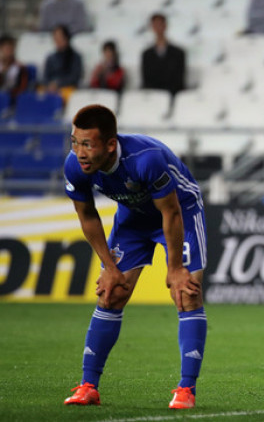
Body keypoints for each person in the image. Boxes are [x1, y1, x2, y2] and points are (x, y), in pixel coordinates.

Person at [62, 105, 207, 409]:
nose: (80, 152)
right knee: (111, 293)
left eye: (88, 144)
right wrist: (109, 267)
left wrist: (176, 267)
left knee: (186, 293)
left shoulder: (145, 159)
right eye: (75, 142)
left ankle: (186, 389)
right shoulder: (74, 166)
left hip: (180, 210)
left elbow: (170, 211)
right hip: (133, 218)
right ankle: (88, 385)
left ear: (110, 145)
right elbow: (87, 216)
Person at [141, 13, 186, 95]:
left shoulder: (179, 53)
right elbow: (146, 79)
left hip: (172, 94)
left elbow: (179, 80)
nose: (158, 28)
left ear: (165, 26)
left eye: (160, 24)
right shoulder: (146, 55)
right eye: (155, 25)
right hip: (153, 95)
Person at [43, 24, 83, 101]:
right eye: (55, 37)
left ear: (66, 38)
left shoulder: (75, 57)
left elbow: (74, 77)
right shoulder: (50, 58)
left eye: (59, 37)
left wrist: (58, 84)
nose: (57, 40)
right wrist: (50, 85)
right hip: (50, 89)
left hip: (67, 89)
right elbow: (45, 77)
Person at [0, 34, 29, 102]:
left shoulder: (20, 68)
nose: (9, 52)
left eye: (11, 49)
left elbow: (22, 89)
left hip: (12, 100)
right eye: (6, 49)